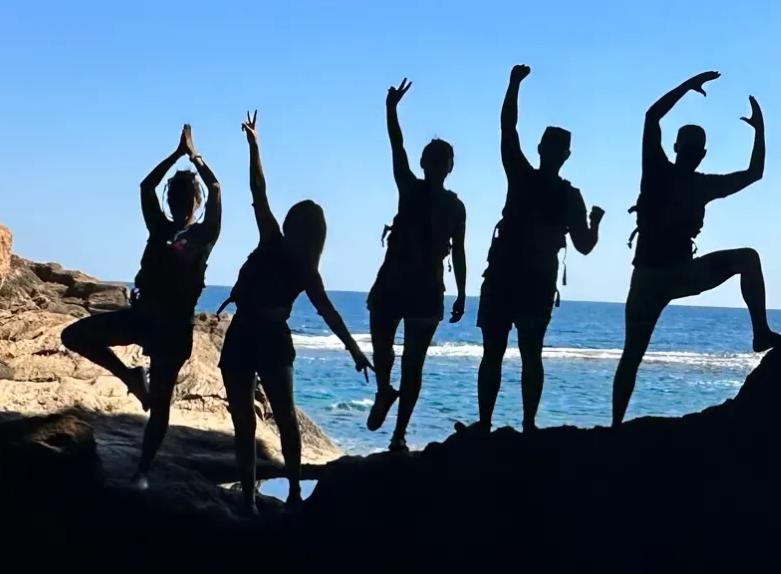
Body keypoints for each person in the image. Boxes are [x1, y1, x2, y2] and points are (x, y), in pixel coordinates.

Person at [613, 71, 781, 425]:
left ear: (684, 150)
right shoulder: (675, 176)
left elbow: (652, 117)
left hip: (665, 275)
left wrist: (687, 87)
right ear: (699, 153)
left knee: (631, 357)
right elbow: (754, 172)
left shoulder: (672, 175)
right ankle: (760, 331)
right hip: (664, 276)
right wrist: (759, 131)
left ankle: (615, 427)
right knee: (748, 259)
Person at [218, 111, 369, 512]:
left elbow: (258, 192)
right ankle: (293, 493)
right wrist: (354, 351)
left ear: (291, 224)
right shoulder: (303, 265)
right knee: (284, 419)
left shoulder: (276, 243)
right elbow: (331, 315)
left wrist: (254, 147)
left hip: (245, 334)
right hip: (268, 338)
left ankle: (252, 497)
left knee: (246, 425)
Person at [60, 124, 222, 484]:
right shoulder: (159, 228)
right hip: (142, 317)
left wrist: (195, 158)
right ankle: (130, 375)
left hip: (175, 330)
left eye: (187, 200)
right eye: (177, 199)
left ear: (196, 204)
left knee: (161, 403)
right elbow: (146, 186)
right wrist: (176, 155)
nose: (182, 205)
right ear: (172, 202)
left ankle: (143, 470)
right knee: (74, 335)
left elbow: (215, 187)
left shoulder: (204, 235)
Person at [476, 64, 602, 432]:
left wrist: (513, 85)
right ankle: (527, 425)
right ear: (565, 155)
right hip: (532, 282)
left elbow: (507, 129)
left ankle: (486, 424)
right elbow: (585, 246)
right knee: (530, 355)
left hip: (505, 276)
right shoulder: (567, 195)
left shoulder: (522, 176)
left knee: (494, 355)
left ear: (543, 149)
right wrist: (596, 222)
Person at [364, 80, 467, 450]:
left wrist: (391, 109)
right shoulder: (451, 204)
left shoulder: (411, 188)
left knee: (387, 349)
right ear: (447, 166)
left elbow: (397, 146)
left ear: (428, 164)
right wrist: (461, 294)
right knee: (411, 363)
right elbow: (459, 253)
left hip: (399, 282)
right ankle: (397, 432)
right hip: (422, 288)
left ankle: (386, 399)